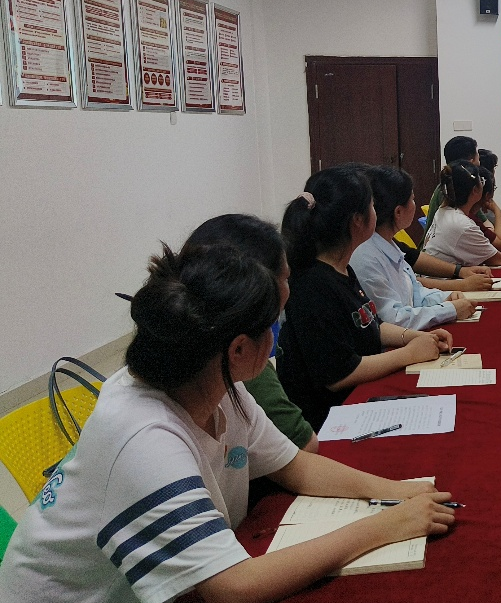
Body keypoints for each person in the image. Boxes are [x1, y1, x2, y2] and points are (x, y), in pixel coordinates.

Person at [0, 240, 456, 603]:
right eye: (271, 329)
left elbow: (295, 465)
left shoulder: (211, 381)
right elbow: (233, 591)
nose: (277, 338)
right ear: (239, 348)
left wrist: (395, 493)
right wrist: (384, 526)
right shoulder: (141, 436)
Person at [278, 164, 452, 430]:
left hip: (359, 396)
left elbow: (370, 324)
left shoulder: (342, 268)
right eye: (372, 205)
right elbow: (339, 374)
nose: (377, 211)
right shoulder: (313, 285)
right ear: (357, 220)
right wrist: (408, 354)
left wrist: (414, 337)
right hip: (332, 418)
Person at [184, 213, 318, 453]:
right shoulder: (240, 364)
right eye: (286, 278)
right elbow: (305, 445)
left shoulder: (230, 380)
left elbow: (293, 460)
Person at [352, 165, 477, 330]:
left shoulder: (388, 244)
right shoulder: (366, 257)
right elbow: (393, 319)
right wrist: (449, 310)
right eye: (412, 199)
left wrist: (446, 297)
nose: (414, 204)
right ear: (398, 212)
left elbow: (416, 293)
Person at [422, 161, 501, 268]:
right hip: (441, 277)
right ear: (475, 190)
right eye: (481, 181)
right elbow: (498, 259)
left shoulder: (444, 209)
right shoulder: (463, 224)